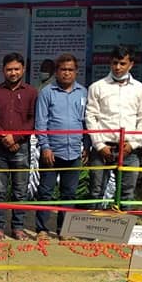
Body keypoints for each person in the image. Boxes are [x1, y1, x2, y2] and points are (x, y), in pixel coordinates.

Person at [85, 46, 142, 210]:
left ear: (131, 64)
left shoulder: (139, 88)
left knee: (127, 194)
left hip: (129, 149)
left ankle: (122, 226)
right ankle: (93, 226)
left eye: (122, 63)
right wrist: (99, 145)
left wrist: (133, 144)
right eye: (115, 63)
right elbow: (91, 117)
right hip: (103, 149)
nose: (118, 67)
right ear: (110, 63)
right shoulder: (97, 87)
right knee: (96, 192)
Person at [34, 54, 88, 238]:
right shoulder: (47, 92)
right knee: (46, 192)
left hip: (74, 151)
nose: (66, 73)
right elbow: (41, 122)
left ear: (76, 71)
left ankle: (64, 230)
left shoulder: (83, 92)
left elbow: (86, 121)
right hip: (51, 151)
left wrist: (86, 145)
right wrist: (45, 147)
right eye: (63, 69)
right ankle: (42, 229)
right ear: (56, 72)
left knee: (69, 193)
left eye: (70, 70)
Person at [0, 52, 38, 241]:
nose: (13, 73)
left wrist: (15, 138)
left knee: (20, 190)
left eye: (16, 69)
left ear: (23, 69)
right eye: (9, 69)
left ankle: (18, 227)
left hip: (21, 147)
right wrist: (4, 138)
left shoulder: (31, 92)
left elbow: (33, 119)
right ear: (3, 70)